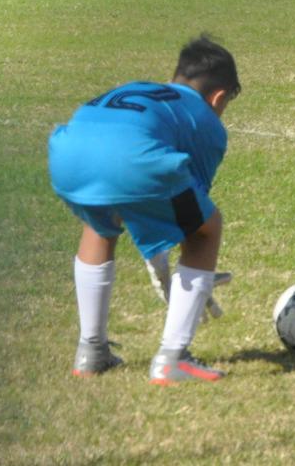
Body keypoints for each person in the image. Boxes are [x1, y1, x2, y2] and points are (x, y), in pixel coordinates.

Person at [50, 36, 240, 384]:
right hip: (131, 161)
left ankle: (91, 351)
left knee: (101, 223)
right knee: (206, 230)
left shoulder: (142, 88)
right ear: (219, 97)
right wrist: (189, 278)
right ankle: (173, 358)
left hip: (66, 155)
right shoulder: (206, 121)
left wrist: (159, 261)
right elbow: (189, 224)